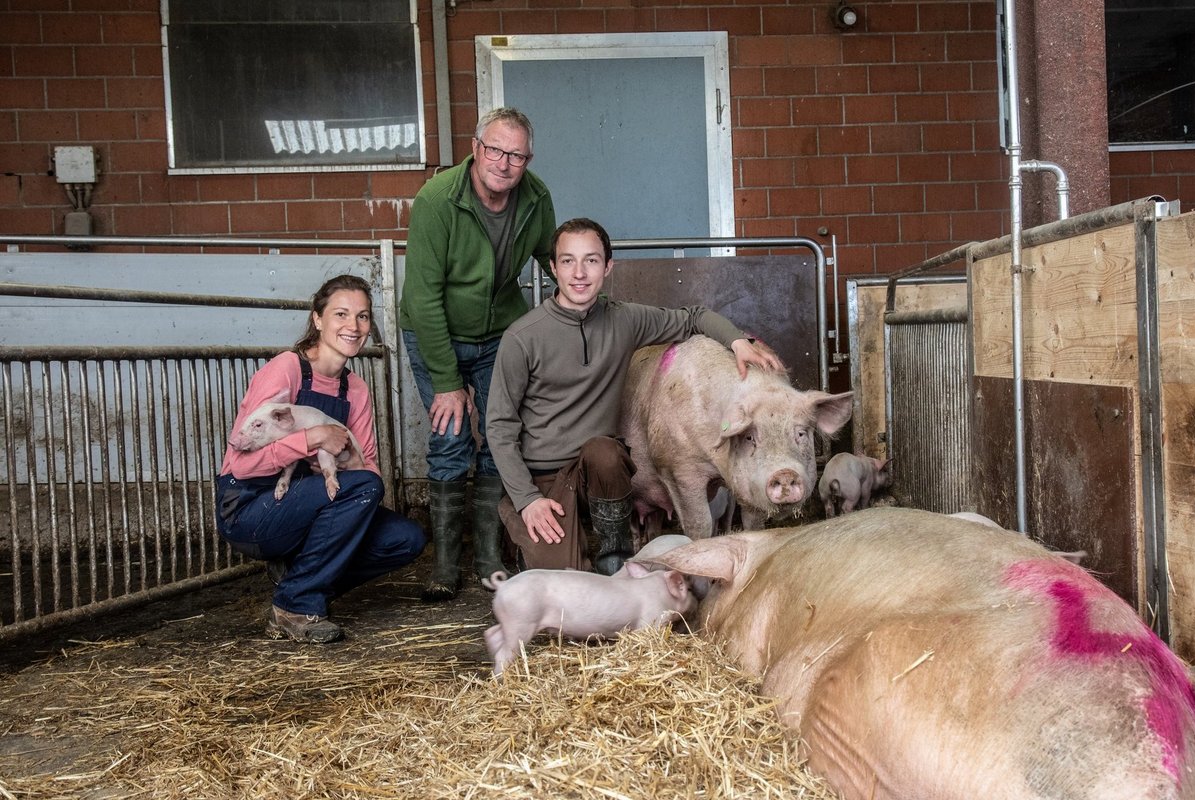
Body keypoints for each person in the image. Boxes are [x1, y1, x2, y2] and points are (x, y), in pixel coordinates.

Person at [486, 218, 784, 574]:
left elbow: (694, 317)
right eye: (568, 261)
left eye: (591, 260)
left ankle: (616, 553)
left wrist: (737, 342)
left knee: (606, 451)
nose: (579, 273)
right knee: (565, 592)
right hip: (544, 479)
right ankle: (519, 522)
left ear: (608, 266)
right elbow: (500, 425)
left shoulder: (623, 320)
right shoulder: (522, 337)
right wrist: (527, 498)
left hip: (596, 471)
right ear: (552, 267)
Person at [215, 275, 426, 644]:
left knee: (405, 538)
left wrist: (345, 464)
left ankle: (299, 578)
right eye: (341, 314)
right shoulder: (287, 369)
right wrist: (311, 439)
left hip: (315, 500)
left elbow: (369, 465)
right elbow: (242, 465)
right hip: (251, 506)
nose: (353, 326)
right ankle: (295, 604)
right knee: (362, 488)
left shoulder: (355, 388)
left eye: (362, 317)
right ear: (317, 319)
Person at [399, 106, 556, 602]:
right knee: (449, 439)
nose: (504, 162)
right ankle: (446, 564)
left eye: (516, 154)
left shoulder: (536, 198)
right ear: (475, 148)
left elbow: (555, 260)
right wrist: (447, 381)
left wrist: (584, 298)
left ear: (527, 160)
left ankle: (487, 555)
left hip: (499, 337)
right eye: (495, 149)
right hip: (435, 331)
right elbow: (423, 299)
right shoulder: (436, 201)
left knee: (498, 437)